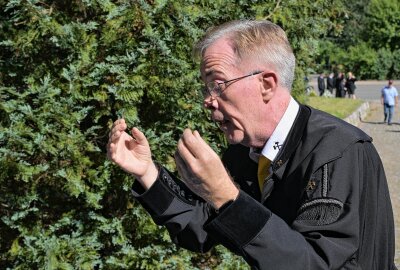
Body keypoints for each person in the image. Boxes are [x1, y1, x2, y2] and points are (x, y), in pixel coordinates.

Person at [107, 20, 397, 269]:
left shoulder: (336, 151)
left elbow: (316, 262)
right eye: (206, 88)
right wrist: (146, 173)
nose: (207, 100)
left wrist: (228, 197)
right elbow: (201, 227)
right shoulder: (244, 153)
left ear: (267, 84)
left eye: (218, 84)